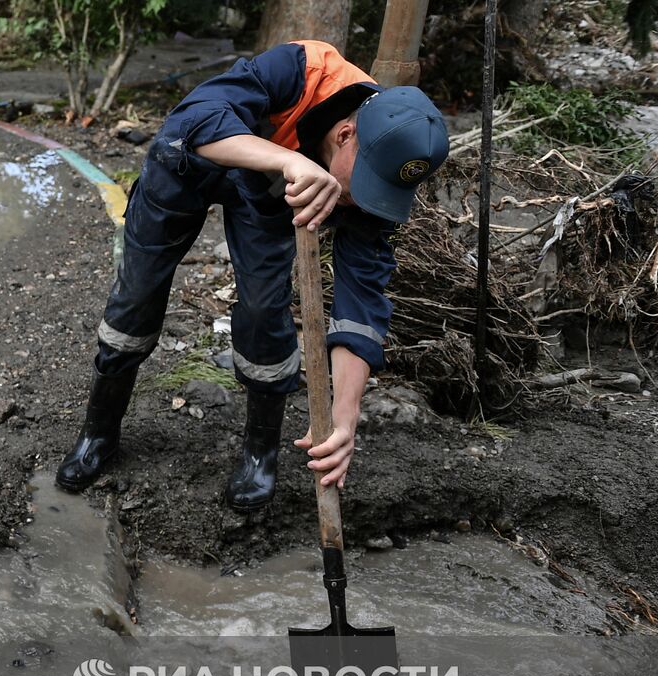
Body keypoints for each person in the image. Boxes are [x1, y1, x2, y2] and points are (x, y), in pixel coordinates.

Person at [56, 40, 449, 510]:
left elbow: (361, 300)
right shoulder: (305, 69)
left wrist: (344, 420)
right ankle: (99, 432)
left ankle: (260, 451)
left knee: (265, 308)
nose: (364, 199)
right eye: (363, 182)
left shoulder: (378, 178)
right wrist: (289, 159)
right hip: (191, 160)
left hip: (265, 197)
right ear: (345, 135)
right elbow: (194, 119)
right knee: (138, 293)